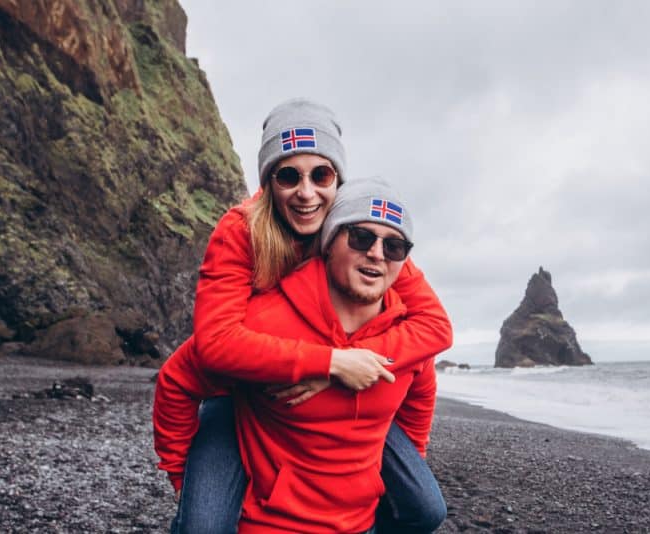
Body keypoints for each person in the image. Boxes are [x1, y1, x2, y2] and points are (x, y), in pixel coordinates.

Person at [157, 99, 452, 532]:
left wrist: (349, 364)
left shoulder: (367, 232)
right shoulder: (242, 232)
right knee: (202, 524)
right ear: (269, 180)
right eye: (289, 175)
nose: (307, 192)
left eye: (322, 175)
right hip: (243, 388)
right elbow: (213, 347)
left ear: (338, 180)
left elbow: (435, 328)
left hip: (353, 395)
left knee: (426, 507)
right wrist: (328, 362)